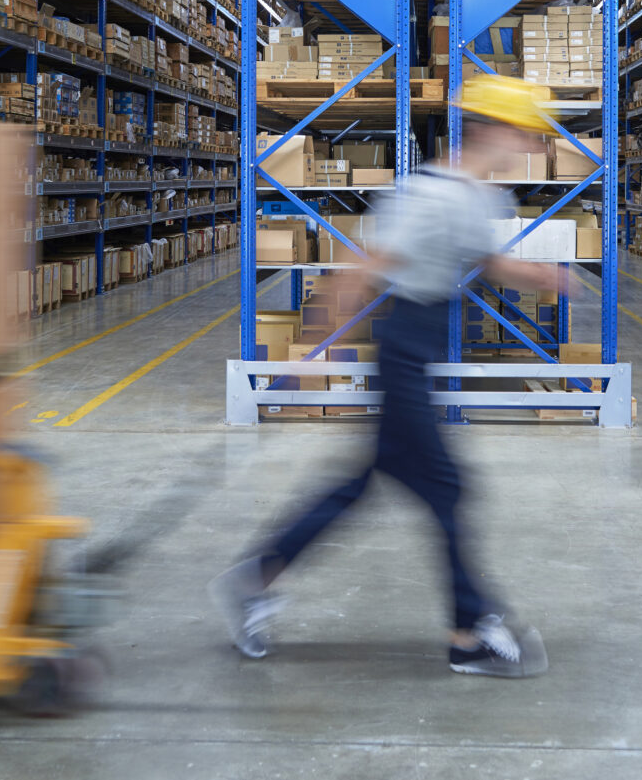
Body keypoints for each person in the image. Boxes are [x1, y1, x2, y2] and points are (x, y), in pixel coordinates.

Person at [211, 73, 565, 679]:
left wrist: (538, 276)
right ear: (490, 130)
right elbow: (364, 268)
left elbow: (487, 261)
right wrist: (316, 345)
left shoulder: (478, 195)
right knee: (446, 487)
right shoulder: (431, 194)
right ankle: (468, 634)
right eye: (523, 133)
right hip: (402, 350)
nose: (531, 146)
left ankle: (254, 579)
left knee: (362, 486)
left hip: (417, 350)